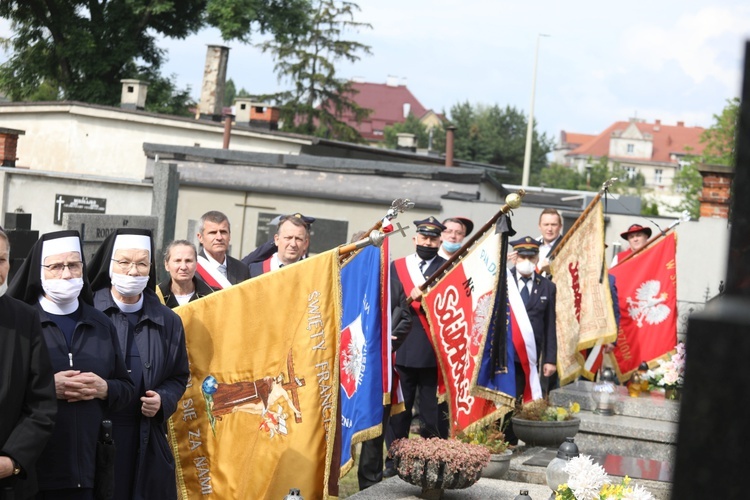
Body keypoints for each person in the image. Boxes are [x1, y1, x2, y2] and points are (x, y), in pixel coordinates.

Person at [7, 230, 135, 500]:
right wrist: (45, 387)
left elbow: (126, 388)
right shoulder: (20, 322)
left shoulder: (101, 324)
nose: (66, 274)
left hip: (87, 467)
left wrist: (105, 388)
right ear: (39, 272)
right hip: (30, 468)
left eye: (74, 265)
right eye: (56, 266)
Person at [87, 228, 189, 500]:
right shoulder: (89, 312)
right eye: (124, 262)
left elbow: (179, 375)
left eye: (142, 263)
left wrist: (163, 399)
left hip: (146, 433)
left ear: (151, 269)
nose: (133, 271)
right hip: (94, 431)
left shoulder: (168, 320)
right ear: (110, 264)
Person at [385, 217, 447, 476]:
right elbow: (389, 304)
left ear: (440, 241)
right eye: (424, 238)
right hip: (403, 347)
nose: (428, 242)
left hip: (435, 353)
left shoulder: (450, 267)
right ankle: (393, 461)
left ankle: (434, 463)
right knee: (399, 411)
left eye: (433, 239)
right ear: (415, 239)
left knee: (432, 415)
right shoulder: (398, 266)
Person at [0, 228, 57, 500]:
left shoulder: (24, 318)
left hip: (9, 482)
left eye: (1, 260)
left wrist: (13, 459)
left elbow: (41, 403)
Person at [356, 232, 412, 491]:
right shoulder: (344, 277)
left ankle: (369, 487)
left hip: (379, 370)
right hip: (348, 367)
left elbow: (406, 318)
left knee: (374, 430)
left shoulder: (392, 282)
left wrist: (392, 340)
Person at [510, 236, 557, 395]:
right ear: (515, 257)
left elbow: (550, 325)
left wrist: (550, 359)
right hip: (505, 355)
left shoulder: (547, 287)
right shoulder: (503, 280)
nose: (527, 261)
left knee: (523, 400)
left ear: (537, 258)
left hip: (530, 356)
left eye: (531, 257)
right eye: (523, 257)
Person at [195, 211, 249, 290]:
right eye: (213, 233)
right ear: (200, 237)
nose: (219, 237)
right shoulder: (192, 269)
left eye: (223, 232)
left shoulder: (242, 269)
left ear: (229, 236)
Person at [241, 213, 316, 268]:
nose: (293, 244)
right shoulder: (256, 269)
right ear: (276, 239)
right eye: (288, 237)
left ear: (306, 243)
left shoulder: (313, 269)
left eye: (298, 239)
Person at [156, 240, 214, 308]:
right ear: (166, 265)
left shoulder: (212, 296)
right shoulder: (154, 296)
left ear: (196, 265)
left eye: (188, 261)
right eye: (177, 261)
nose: (183, 267)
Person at [536, 208, 563, 276]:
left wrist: (551, 271)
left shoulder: (566, 246)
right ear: (539, 226)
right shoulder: (533, 244)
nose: (549, 229)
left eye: (553, 225)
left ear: (560, 227)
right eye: (546, 224)